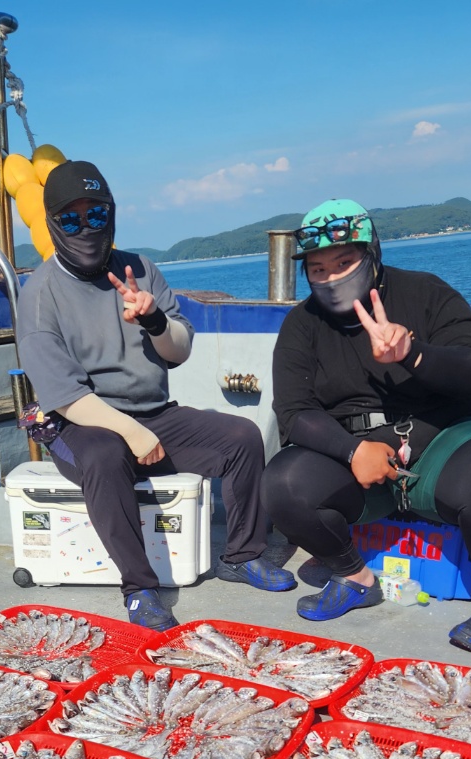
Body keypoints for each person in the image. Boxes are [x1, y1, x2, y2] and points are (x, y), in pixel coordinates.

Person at [15, 159, 294, 631]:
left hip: (154, 413)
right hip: (77, 424)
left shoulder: (140, 269)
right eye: (71, 219)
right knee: (105, 455)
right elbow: (62, 394)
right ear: (53, 224)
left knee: (242, 437)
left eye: (96, 214)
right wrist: (131, 432)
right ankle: (140, 589)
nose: (86, 227)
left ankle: (242, 555)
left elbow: (179, 351)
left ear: (111, 214)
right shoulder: (40, 293)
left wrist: (154, 320)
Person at [262, 199, 471, 653]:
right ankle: (355, 578)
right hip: (360, 456)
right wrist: (352, 451)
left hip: (445, 436)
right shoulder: (301, 324)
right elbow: (293, 411)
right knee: (283, 482)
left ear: (373, 254)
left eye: (344, 262)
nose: (331, 277)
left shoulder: (426, 292)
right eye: (318, 268)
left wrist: (412, 353)